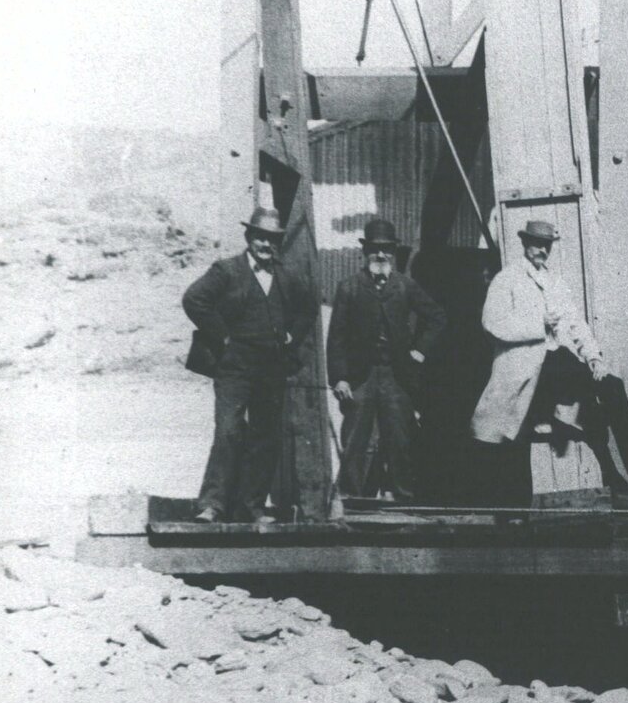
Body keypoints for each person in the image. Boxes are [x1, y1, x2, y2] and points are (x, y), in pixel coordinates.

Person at [473, 220, 628, 491]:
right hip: (524, 368)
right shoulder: (506, 279)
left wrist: (593, 357)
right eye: (536, 243)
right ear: (524, 243)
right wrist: (538, 324)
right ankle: (608, 475)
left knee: (609, 385)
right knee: (516, 438)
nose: (542, 250)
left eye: (546, 245)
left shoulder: (554, 282)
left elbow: (576, 323)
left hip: (556, 364)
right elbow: (492, 324)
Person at [181, 206, 319, 523]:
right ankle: (212, 504)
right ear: (249, 238)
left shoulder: (287, 276)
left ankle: (251, 506)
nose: (266, 245)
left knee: (265, 436)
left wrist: (291, 338)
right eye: (261, 238)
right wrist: (223, 337)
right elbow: (194, 299)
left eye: (272, 240)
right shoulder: (227, 270)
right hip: (234, 366)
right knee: (229, 431)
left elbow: (308, 309)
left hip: (271, 366)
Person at [327, 219, 447, 502]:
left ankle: (403, 498)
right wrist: (340, 377)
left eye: (387, 250)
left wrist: (418, 352)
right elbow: (337, 338)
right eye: (375, 250)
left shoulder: (405, 286)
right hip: (361, 376)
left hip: (397, 376)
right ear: (365, 251)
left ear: (394, 253)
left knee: (399, 437)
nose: (381, 256)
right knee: (356, 438)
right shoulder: (350, 287)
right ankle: (352, 499)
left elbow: (437, 317)